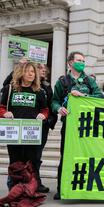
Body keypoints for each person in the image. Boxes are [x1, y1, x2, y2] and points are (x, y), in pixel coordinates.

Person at [51, 51, 104, 200]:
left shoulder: (89, 81)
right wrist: (59, 109)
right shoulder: (62, 82)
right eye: (79, 60)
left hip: (87, 126)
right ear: (70, 63)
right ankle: (62, 188)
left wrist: (84, 97)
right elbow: (54, 101)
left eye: (83, 60)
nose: (82, 62)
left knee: (86, 156)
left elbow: (99, 96)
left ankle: (84, 187)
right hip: (69, 126)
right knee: (66, 156)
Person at [0, 62, 49, 193]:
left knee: (30, 162)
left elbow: (45, 110)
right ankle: (14, 190)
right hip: (14, 133)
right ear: (21, 72)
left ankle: (28, 190)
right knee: (15, 161)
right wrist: (4, 113)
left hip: (31, 134)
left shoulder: (39, 91)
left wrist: (42, 115)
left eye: (33, 72)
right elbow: (1, 107)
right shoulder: (10, 89)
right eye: (28, 71)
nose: (31, 74)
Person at [35, 64, 57, 193]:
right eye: (39, 68)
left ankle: (36, 182)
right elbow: (6, 84)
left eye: (45, 69)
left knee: (37, 155)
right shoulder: (23, 84)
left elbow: (51, 104)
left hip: (42, 125)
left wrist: (50, 121)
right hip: (26, 124)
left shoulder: (47, 87)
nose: (43, 70)